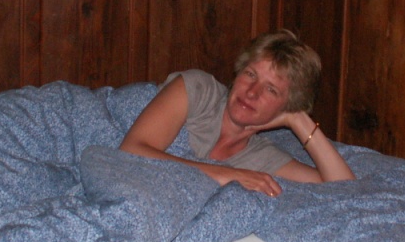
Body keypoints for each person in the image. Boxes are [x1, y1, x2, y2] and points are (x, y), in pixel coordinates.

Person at [120, 30, 355, 196]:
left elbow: (345, 189)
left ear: (287, 106)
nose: (252, 92)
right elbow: (131, 151)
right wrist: (227, 174)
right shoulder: (199, 90)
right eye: (250, 74)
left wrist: (298, 119)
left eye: (271, 90)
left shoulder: (261, 157)